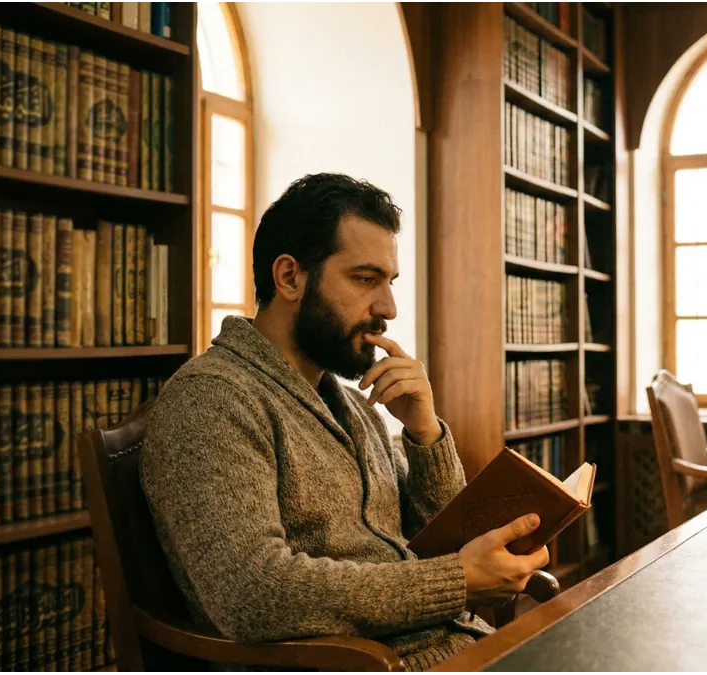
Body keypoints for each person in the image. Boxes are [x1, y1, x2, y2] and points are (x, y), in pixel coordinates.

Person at [140, 173, 550, 671]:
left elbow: (438, 543)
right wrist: (456, 583)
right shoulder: (211, 399)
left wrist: (426, 434)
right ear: (290, 277)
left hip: (457, 646)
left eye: (389, 282)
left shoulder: (352, 402)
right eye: (364, 279)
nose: (388, 308)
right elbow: (253, 595)